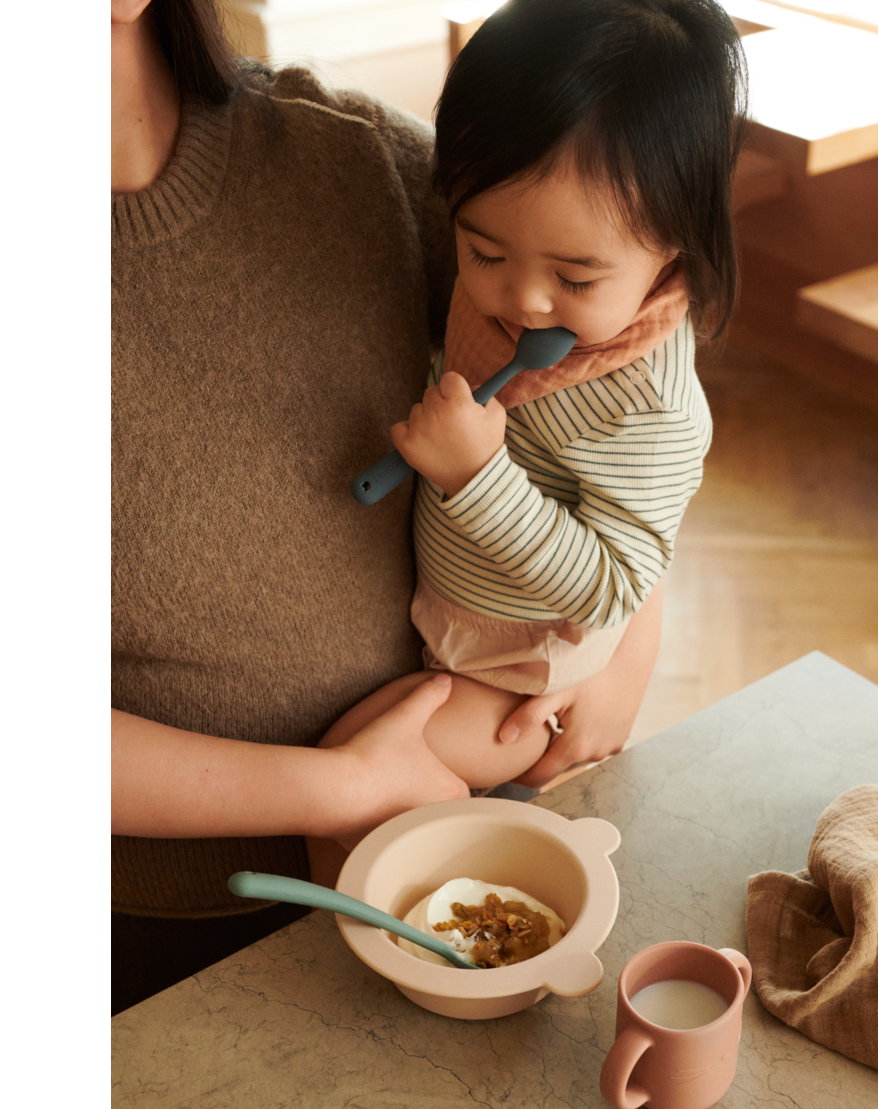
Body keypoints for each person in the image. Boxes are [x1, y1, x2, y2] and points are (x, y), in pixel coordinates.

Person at [110, 0, 665, 1010]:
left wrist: (631, 630)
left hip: (467, 819)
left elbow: (629, 327)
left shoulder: (358, 163)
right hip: (163, 939)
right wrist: (337, 788)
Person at [316, 0, 747, 791]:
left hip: (521, 680)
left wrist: (477, 479)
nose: (524, 300)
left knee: (356, 767)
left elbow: (617, 584)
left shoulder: (647, 408)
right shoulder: (503, 280)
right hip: (454, 627)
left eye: (576, 278)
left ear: (675, 246)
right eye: (484, 250)